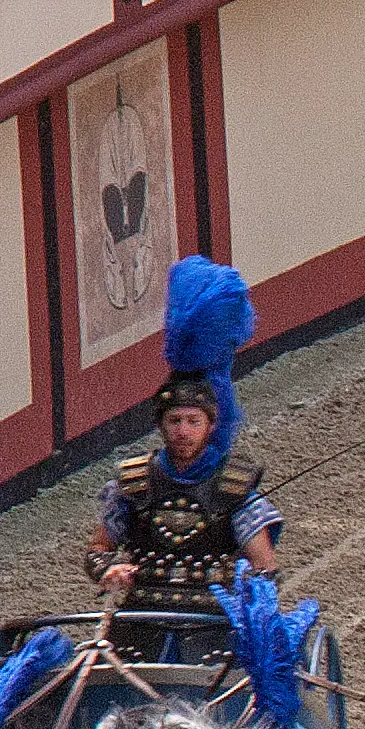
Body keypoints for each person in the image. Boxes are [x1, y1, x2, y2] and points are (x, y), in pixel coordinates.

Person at [85, 258, 276, 648]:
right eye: (175, 421)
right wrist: (109, 569)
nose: (183, 431)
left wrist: (243, 591)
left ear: (210, 426)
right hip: (139, 623)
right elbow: (97, 550)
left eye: (193, 422)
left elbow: (265, 567)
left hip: (214, 628)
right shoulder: (132, 483)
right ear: (161, 425)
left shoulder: (235, 488)